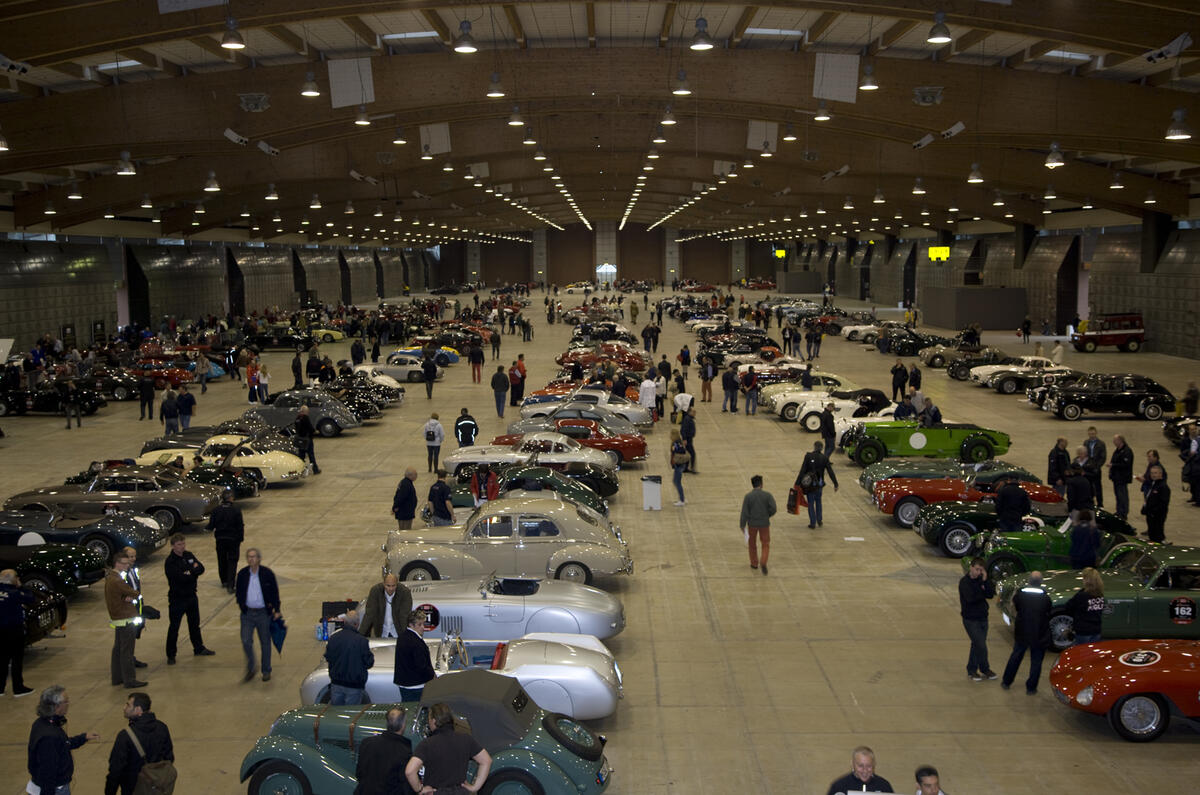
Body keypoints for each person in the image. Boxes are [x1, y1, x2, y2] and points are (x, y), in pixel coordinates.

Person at [405, 702, 492, 795]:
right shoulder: (466, 739)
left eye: (429, 719)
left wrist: (419, 789)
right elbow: (486, 761)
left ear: (434, 721)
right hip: (460, 792)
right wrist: (475, 787)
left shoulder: (427, 744)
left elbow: (410, 771)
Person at [27, 685, 100, 795]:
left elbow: (62, 744)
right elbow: (48, 772)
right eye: (66, 702)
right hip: (56, 789)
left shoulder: (41, 723)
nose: (68, 704)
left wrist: (83, 738)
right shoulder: (49, 737)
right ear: (56, 706)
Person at [103, 691, 173, 795]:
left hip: (133, 790)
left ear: (138, 710)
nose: (124, 707)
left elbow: (115, 771)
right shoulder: (162, 727)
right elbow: (169, 757)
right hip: (157, 788)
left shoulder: (125, 736)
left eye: (128, 705)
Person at [163, 533, 215, 665]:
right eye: (179, 544)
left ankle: (198, 647)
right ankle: (171, 654)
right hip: (177, 599)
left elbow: (201, 568)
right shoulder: (170, 562)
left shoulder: (188, 555)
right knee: (174, 627)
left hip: (191, 596)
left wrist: (189, 573)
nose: (182, 547)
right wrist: (192, 572)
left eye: (183, 544)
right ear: (173, 546)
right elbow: (179, 578)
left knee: (194, 624)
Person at [1001, 571, 1052, 694]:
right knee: (1036, 661)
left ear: (1029, 581)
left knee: (1016, 655)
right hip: (1039, 633)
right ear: (1041, 582)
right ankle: (1031, 687)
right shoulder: (1045, 598)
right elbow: (1048, 611)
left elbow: (1016, 607)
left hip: (1023, 632)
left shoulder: (1020, 595)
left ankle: (1007, 681)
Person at [235, 548, 281, 683]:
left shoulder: (267, 574)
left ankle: (266, 670)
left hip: (263, 613)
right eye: (249, 557)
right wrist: (242, 605)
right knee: (246, 640)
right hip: (247, 613)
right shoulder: (243, 574)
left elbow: (274, 592)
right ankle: (251, 666)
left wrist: (276, 609)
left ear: (259, 559)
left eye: (254, 557)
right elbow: (239, 591)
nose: (251, 559)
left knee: (265, 642)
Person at [107, 551, 146, 689]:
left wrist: (124, 597)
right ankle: (130, 680)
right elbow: (134, 592)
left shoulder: (110, 578)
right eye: (124, 563)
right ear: (117, 563)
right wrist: (130, 596)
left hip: (118, 618)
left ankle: (117, 677)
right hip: (125, 618)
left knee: (118, 649)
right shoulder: (117, 580)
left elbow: (118, 595)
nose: (127, 565)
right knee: (127, 652)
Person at [354, 706, 415, 795]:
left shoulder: (367, 743)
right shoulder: (404, 752)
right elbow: (406, 786)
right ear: (403, 725)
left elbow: (359, 774)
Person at [324, 609, 374, 705]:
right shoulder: (361, 641)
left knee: (337, 713)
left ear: (345, 622)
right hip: (354, 685)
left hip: (336, 683)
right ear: (357, 624)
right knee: (351, 713)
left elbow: (328, 657)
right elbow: (369, 662)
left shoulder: (334, 638)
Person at [959, 557, 997, 682]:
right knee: (981, 644)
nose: (978, 572)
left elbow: (990, 594)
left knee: (977, 644)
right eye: (976, 569)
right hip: (970, 619)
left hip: (983, 618)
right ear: (971, 567)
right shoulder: (964, 582)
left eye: (981, 570)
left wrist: (985, 581)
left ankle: (972, 669)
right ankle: (985, 668)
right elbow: (971, 598)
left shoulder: (982, 580)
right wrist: (981, 590)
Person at [0, 569, 34, 697]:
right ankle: (18, 688)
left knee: (2, 659)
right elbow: (30, 598)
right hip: (14, 630)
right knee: (16, 659)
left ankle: (0, 688)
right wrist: (21, 586)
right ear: (13, 579)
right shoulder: (15, 593)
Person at [393, 609, 436, 702]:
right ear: (411, 625)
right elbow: (421, 665)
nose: (423, 627)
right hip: (416, 685)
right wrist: (432, 676)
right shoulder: (416, 642)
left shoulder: (402, 637)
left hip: (404, 683)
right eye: (419, 624)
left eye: (423, 624)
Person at [739, 475, 777, 575]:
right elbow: (773, 508)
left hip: (752, 524)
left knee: (752, 544)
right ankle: (763, 562)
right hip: (764, 524)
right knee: (765, 543)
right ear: (761, 484)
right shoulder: (767, 495)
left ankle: (754, 563)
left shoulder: (748, 497)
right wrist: (767, 515)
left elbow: (745, 512)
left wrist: (742, 525)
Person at [796, 440, 839, 528]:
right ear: (822, 448)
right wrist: (835, 484)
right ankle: (819, 520)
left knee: (811, 503)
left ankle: (812, 523)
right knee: (818, 501)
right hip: (819, 484)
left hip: (810, 485)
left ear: (814, 447)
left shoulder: (808, 456)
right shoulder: (824, 458)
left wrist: (797, 483)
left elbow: (802, 470)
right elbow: (830, 472)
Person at [208, 490, 244, 593]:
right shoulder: (236, 510)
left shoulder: (216, 510)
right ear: (231, 498)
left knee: (222, 559)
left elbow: (211, 525)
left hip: (220, 539)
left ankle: (223, 580)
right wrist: (240, 539)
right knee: (232, 561)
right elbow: (240, 526)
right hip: (233, 539)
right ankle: (231, 584)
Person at [358, 573, 413, 639]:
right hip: (381, 632)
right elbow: (369, 614)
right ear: (383, 584)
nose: (391, 589)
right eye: (388, 586)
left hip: (398, 632)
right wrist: (360, 635)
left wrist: (407, 636)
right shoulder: (375, 591)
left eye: (393, 586)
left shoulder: (405, 593)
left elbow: (404, 616)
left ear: (397, 584)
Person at [826, 746, 894, 795]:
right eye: (861, 766)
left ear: (874, 764)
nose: (865, 770)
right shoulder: (840, 786)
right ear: (852, 764)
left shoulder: (884, 786)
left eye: (869, 766)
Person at [1065, 567, 1105, 645]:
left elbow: (1068, 607)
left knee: (1080, 653)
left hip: (1083, 631)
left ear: (1086, 580)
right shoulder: (1100, 595)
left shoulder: (1082, 596)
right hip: (1096, 630)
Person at [1108, 434, 1134, 519]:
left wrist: (1113, 465)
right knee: (1118, 495)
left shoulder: (1127, 451)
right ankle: (1119, 511)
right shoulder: (1118, 450)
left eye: (1115, 440)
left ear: (1120, 441)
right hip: (1116, 477)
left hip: (1122, 478)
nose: (1114, 442)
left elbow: (1125, 464)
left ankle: (1123, 513)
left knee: (1122, 495)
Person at [1143, 464, 1170, 543]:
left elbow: (1163, 503)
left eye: (1155, 473)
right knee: (1151, 533)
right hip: (1151, 514)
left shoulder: (1163, 487)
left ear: (1160, 474)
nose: (1153, 475)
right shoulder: (1154, 484)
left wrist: (1153, 512)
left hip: (1157, 515)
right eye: (1152, 473)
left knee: (1157, 534)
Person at [1083, 427, 1106, 508]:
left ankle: (1100, 503)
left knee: (1098, 486)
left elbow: (1103, 457)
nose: (1091, 435)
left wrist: (1097, 466)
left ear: (1096, 433)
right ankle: (1090, 501)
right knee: (1088, 486)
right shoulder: (1086, 443)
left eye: (1093, 434)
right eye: (1090, 434)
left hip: (1096, 468)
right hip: (1088, 467)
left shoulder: (1101, 444)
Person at [294, 405, 321, 474]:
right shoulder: (305, 418)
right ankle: (315, 469)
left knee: (301, 456)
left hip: (300, 440)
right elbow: (310, 428)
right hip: (307, 440)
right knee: (311, 455)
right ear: (305, 411)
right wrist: (314, 431)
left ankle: (300, 470)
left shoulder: (297, 418)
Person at [669, 428, 687, 506]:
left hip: (678, 465)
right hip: (682, 464)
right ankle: (682, 497)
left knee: (677, 482)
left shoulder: (675, 444)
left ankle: (682, 500)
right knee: (676, 481)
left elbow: (674, 452)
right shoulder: (680, 442)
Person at [679, 406, 697, 473]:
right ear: (689, 412)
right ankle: (692, 468)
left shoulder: (690, 418)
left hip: (689, 439)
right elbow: (683, 430)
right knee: (692, 454)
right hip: (687, 439)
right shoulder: (687, 419)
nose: (695, 413)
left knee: (688, 454)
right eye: (693, 412)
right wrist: (684, 439)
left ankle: (685, 468)